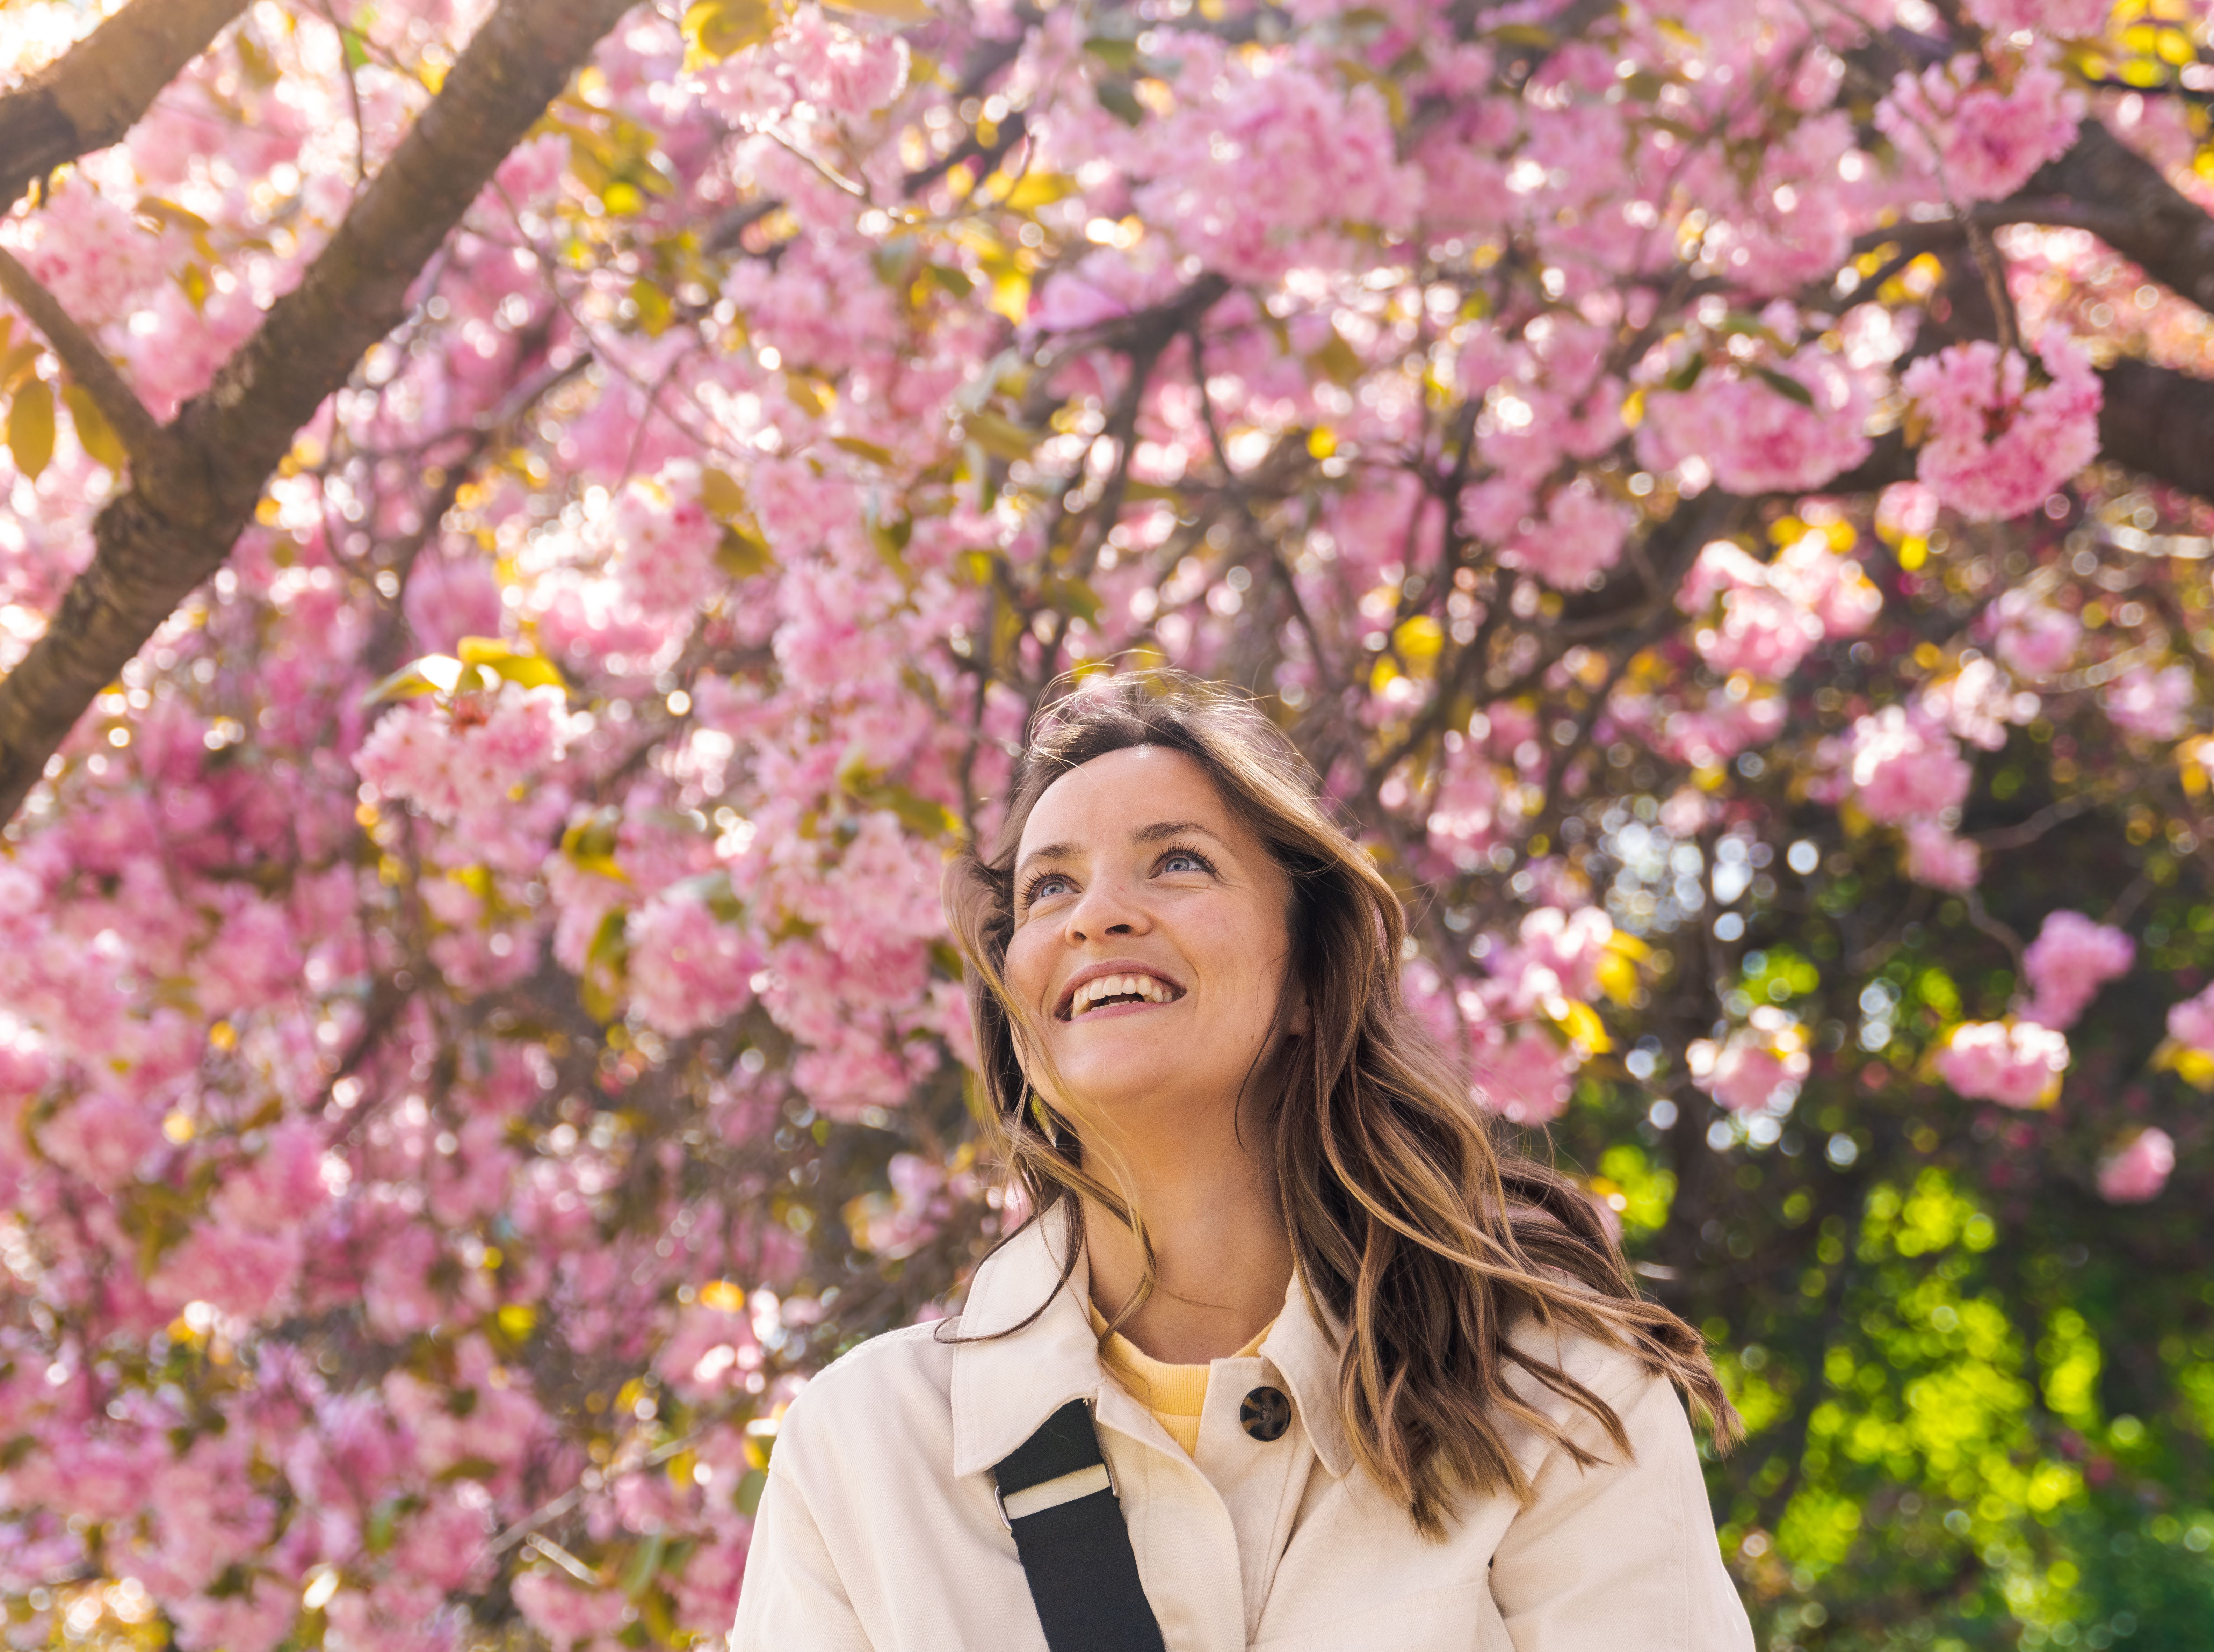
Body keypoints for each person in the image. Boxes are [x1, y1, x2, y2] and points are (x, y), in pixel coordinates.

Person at [730, 674, 1754, 1651]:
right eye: (1050, 887)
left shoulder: (1550, 1398)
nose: (1097, 914)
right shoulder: (864, 1452)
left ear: (1310, 976)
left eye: (1178, 861)